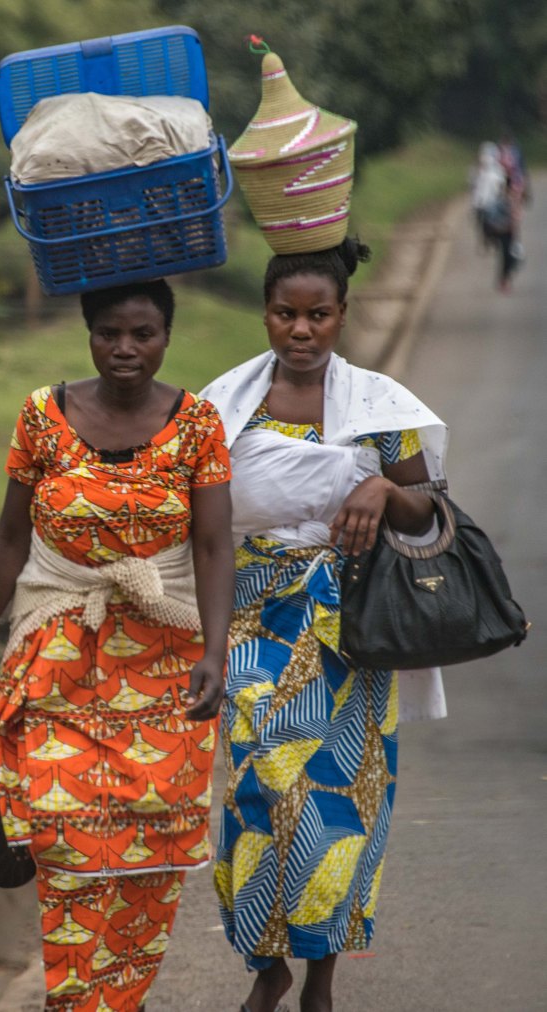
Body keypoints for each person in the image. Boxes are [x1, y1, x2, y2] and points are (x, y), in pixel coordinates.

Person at [0, 279, 235, 1012]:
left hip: (167, 661)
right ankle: (76, 1001)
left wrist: (215, 652)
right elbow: (10, 538)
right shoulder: (43, 417)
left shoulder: (199, 423)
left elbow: (211, 546)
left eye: (142, 333)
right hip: (57, 657)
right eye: (110, 332)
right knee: (63, 842)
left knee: (152, 855)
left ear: (166, 336)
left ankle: (116, 1002)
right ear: (88, 334)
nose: (125, 349)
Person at [201, 240, 448, 1012]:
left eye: (318, 315)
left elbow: (432, 510)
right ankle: (266, 962)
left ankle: (320, 978)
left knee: (340, 800)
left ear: (343, 316)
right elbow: (203, 516)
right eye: (286, 313)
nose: (301, 330)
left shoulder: (381, 410)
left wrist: (379, 487)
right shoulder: (226, 406)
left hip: (351, 630)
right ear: (265, 314)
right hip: (253, 619)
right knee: (260, 789)